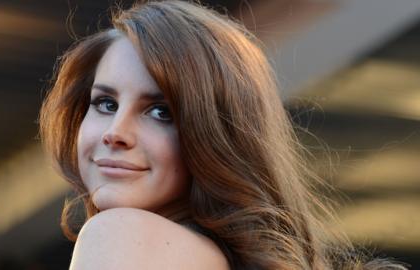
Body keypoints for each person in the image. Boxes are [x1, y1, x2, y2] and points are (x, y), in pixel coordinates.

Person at [39, 1, 407, 269]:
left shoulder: (120, 235)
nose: (116, 133)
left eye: (160, 112)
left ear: (218, 137)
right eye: (105, 103)